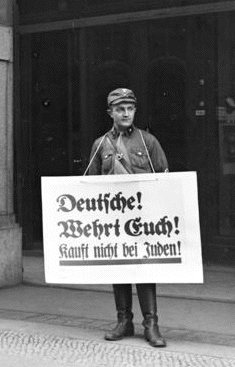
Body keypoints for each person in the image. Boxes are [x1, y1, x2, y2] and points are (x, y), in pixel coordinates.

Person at [85, 88, 168, 347]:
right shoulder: (100, 145)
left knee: (144, 268)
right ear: (110, 112)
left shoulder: (147, 142)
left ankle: (151, 324)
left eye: (130, 108)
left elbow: (164, 177)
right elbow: (90, 184)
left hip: (143, 219)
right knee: (118, 267)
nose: (125, 113)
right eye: (120, 109)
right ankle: (124, 321)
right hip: (113, 220)